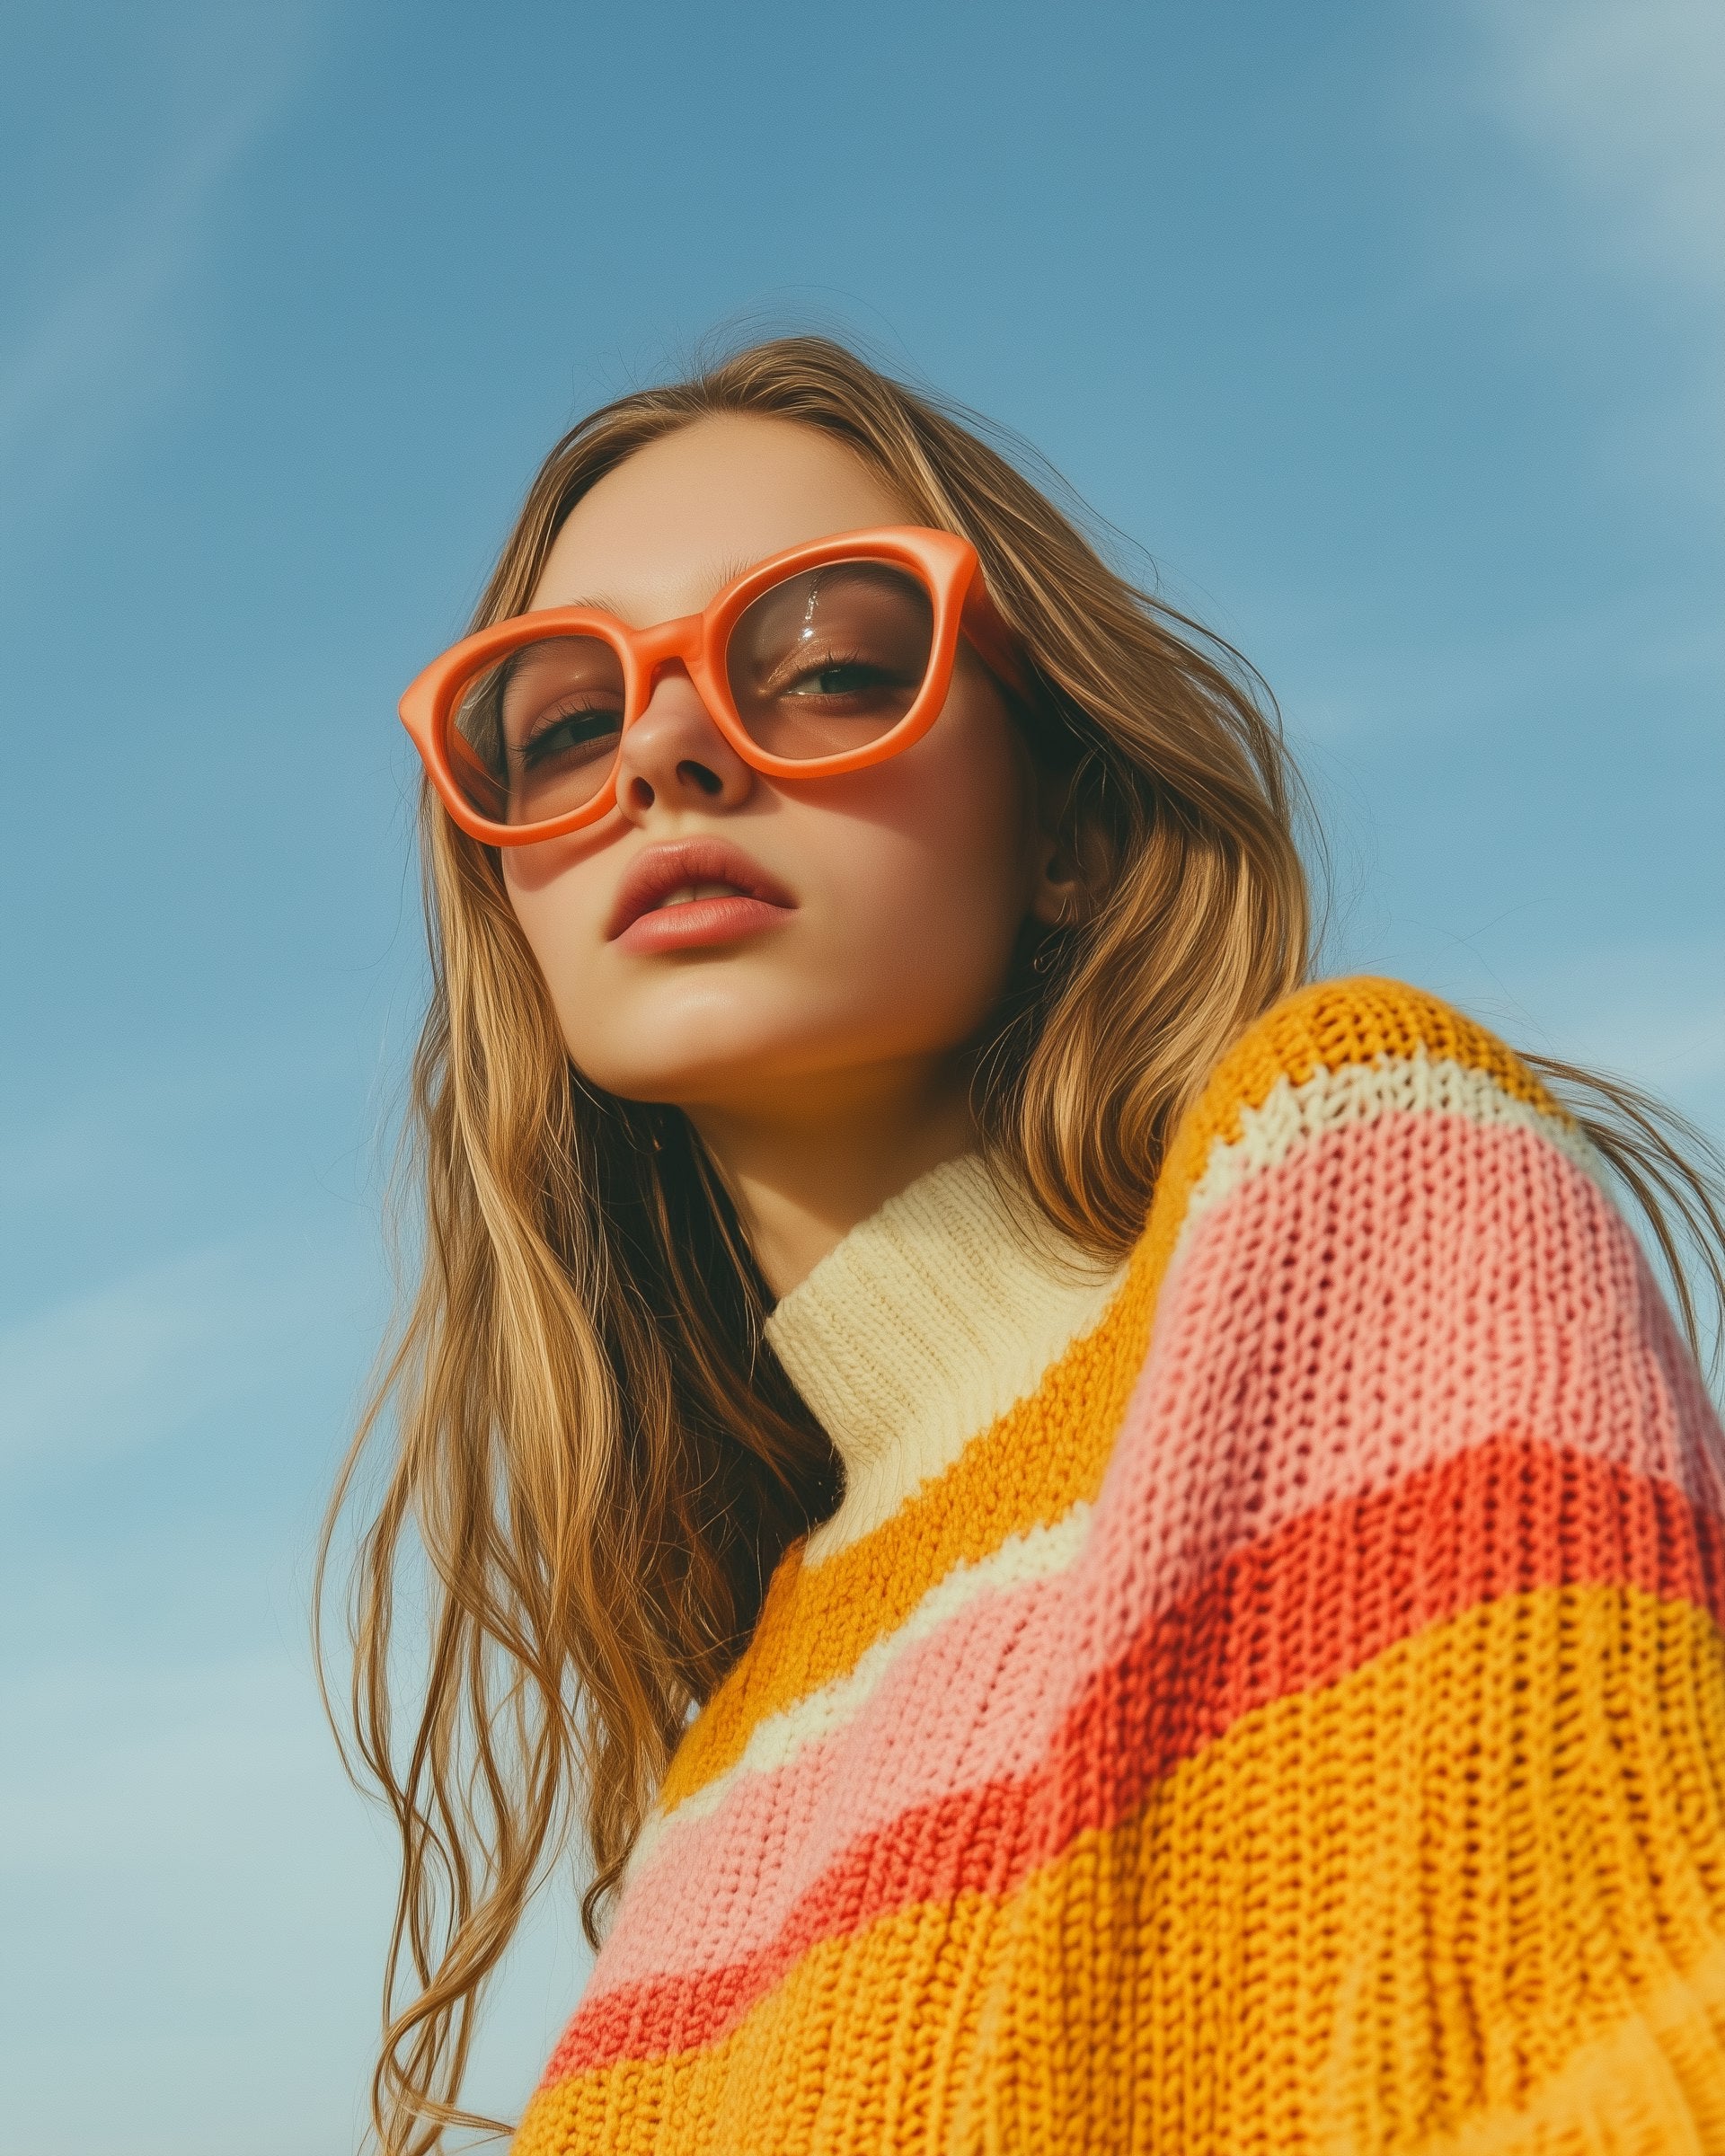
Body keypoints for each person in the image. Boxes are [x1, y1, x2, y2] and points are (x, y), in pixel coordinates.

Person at [323, 337, 1725, 2155]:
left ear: (1064, 824)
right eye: (566, 725)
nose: (664, 750)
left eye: (827, 665)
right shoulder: (726, 1751)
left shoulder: (1348, 1176)